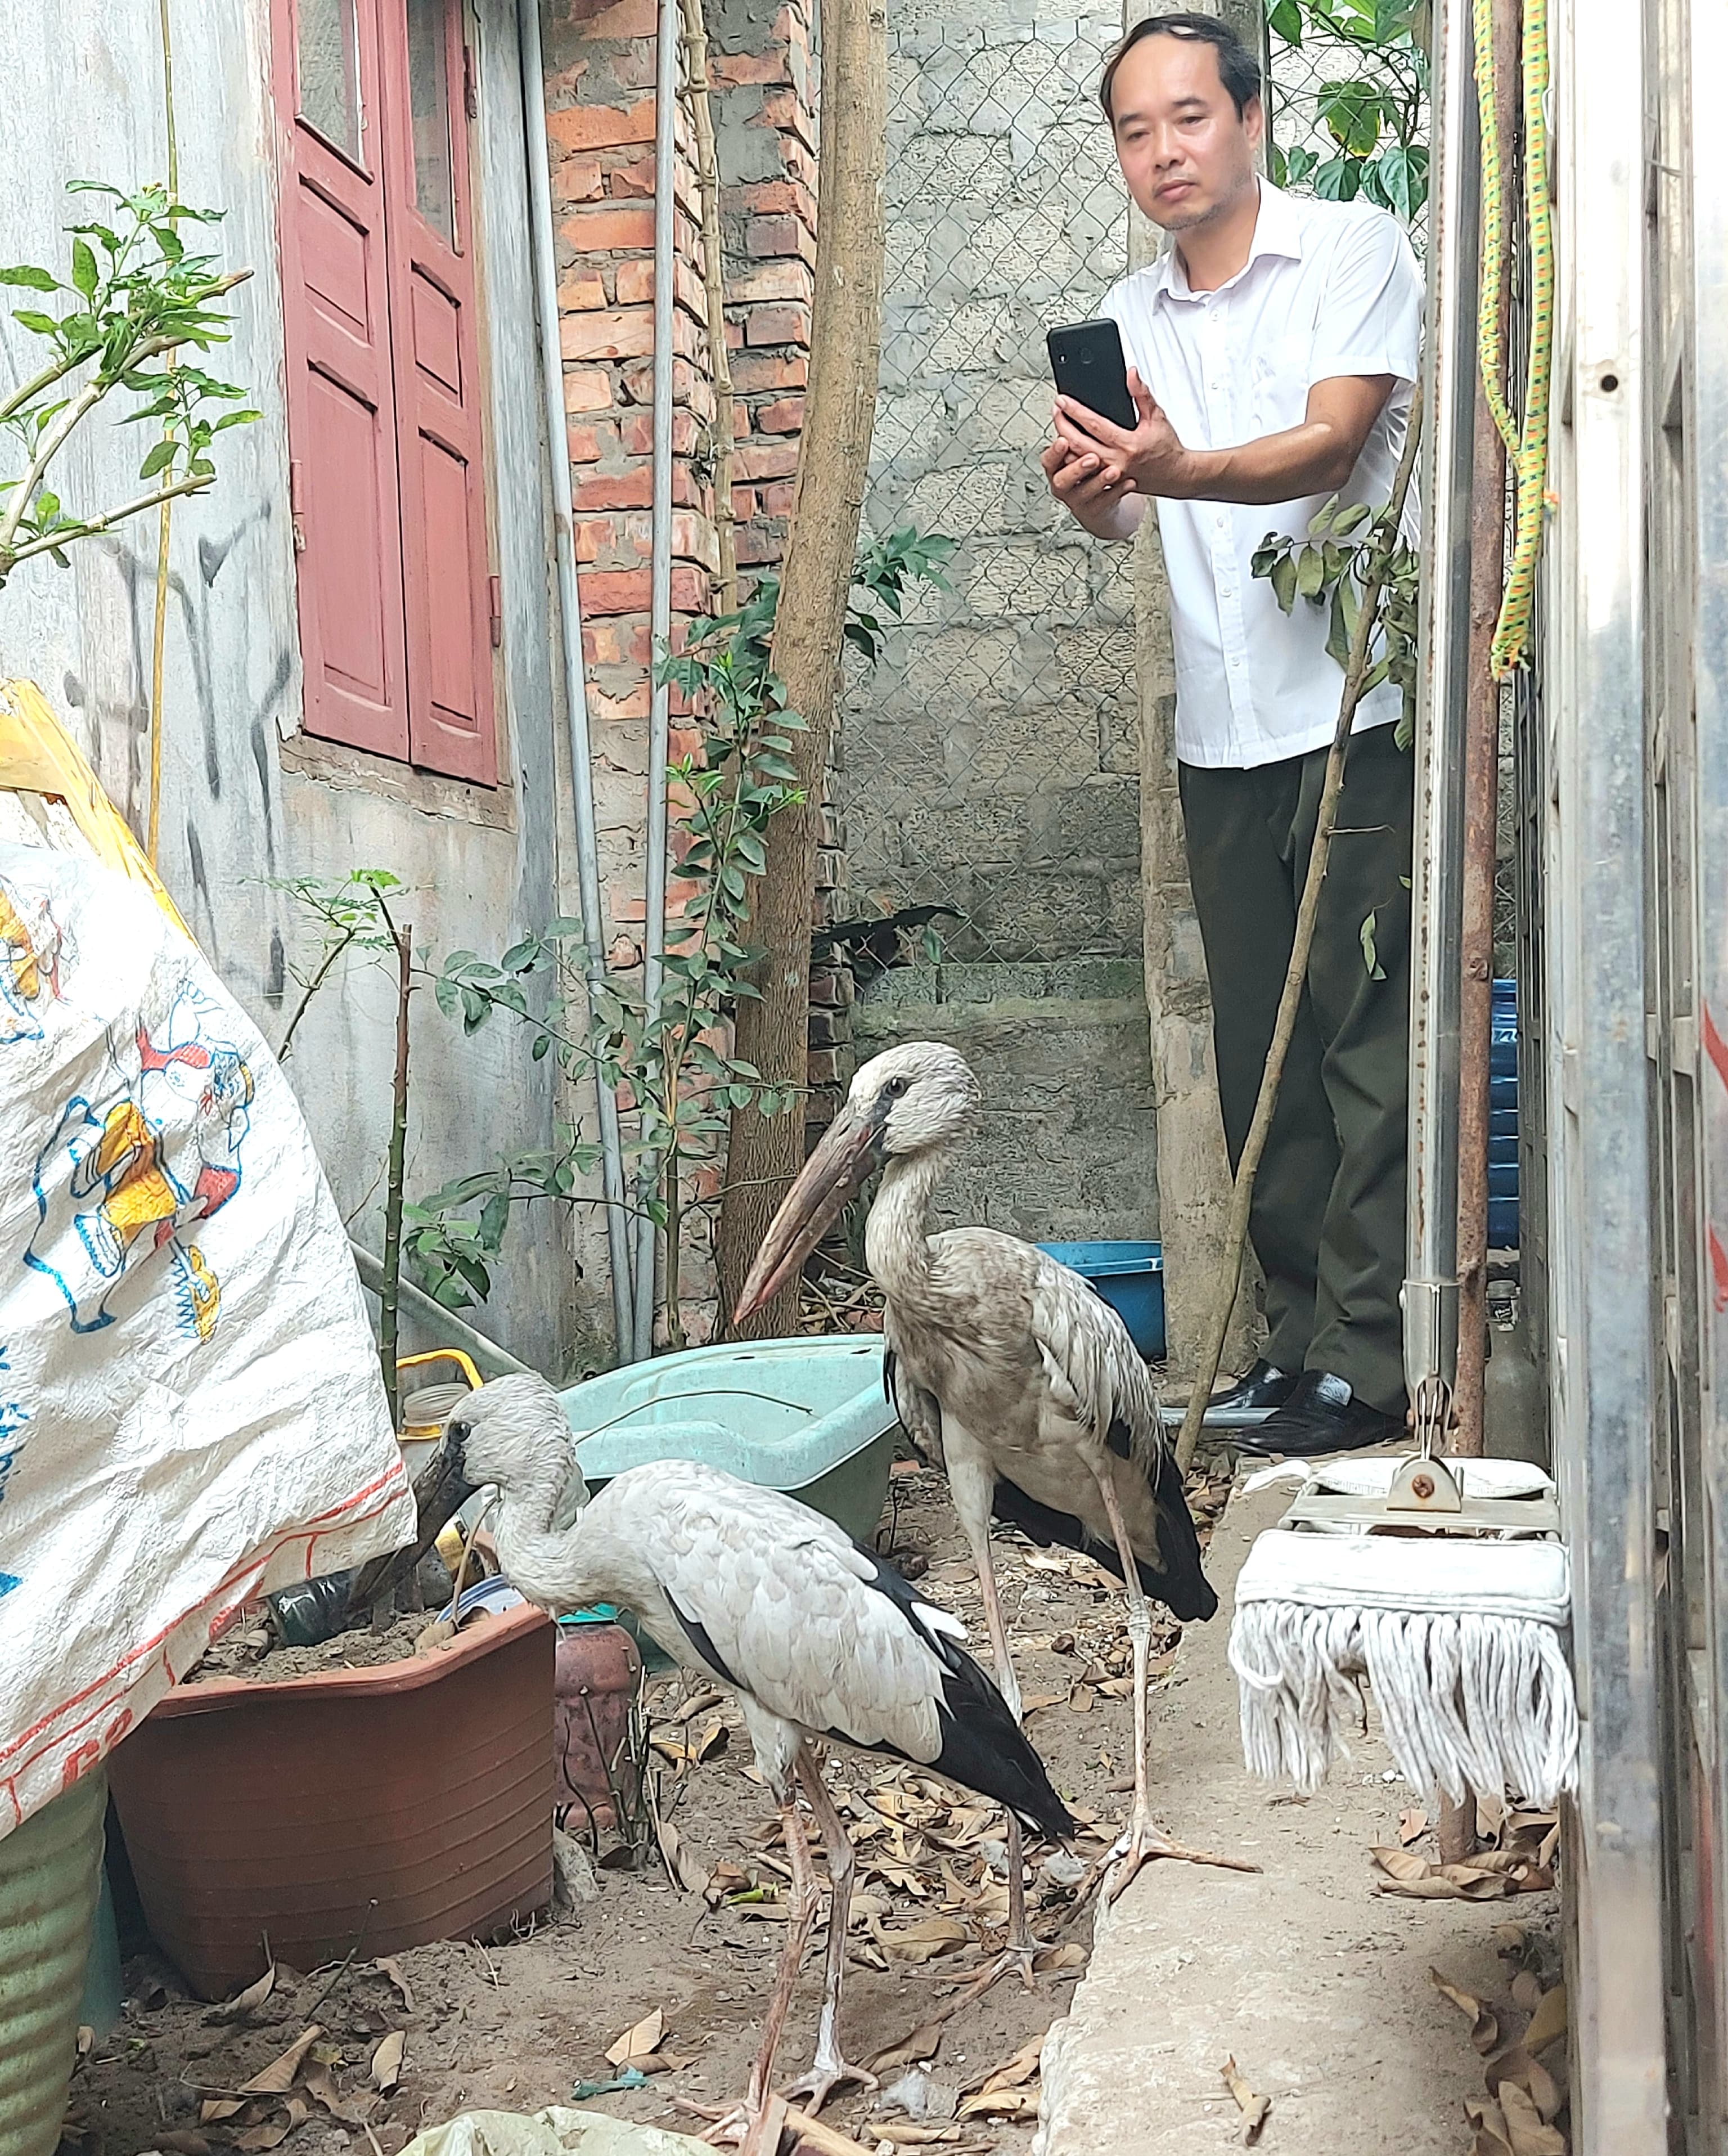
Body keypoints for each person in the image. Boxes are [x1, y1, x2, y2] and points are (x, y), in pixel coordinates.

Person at [1043, 11, 1423, 1455]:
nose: (1162, 153)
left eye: (1187, 118)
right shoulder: (1127, 322)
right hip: (1223, 737)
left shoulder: (1350, 254)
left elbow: (1332, 441)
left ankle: (1372, 1358)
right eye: (1135, 131)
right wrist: (1094, 486)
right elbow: (1126, 504)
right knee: (1265, 1043)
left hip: (1353, 710)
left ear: (1252, 118)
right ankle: (1295, 1347)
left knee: (1365, 1039)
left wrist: (1179, 461)